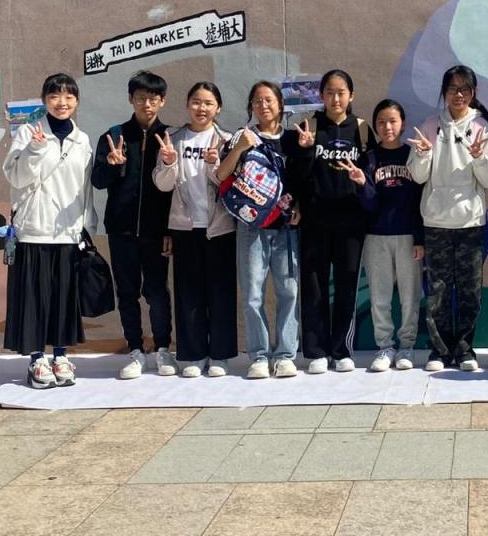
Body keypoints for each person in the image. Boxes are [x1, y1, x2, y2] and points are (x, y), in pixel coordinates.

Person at [3, 73, 94, 388]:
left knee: (63, 299)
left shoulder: (82, 140)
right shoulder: (28, 132)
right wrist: (34, 150)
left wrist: (86, 225)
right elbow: (16, 177)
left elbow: (84, 187)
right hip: (34, 230)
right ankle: (36, 359)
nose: (62, 102)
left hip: (67, 231)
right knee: (35, 299)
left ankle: (61, 356)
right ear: (44, 100)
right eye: (55, 96)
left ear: (77, 101)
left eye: (68, 96)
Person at [406, 65, 488, 372]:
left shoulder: (481, 126)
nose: (458, 95)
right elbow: (418, 176)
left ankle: (465, 349)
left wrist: (479, 156)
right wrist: (423, 154)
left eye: (464, 89)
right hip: (436, 221)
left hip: (470, 222)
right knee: (438, 290)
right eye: (452, 89)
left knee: (470, 289)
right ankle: (440, 351)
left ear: (473, 93)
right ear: (444, 92)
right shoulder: (431, 125)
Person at [91, 70, 175, 380]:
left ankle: (163, 348)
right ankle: (136, 350)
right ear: (130, 99)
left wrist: (170, 230)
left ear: (162, 101)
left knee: (157, 291)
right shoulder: (114, 136)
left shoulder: (171, 137)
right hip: (121, 230)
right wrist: (113, 166)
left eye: (153, 99)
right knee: (126, 292)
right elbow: (97, 181)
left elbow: (178, 189)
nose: (146, 104)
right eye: (140, 98)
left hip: (156, 232)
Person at [216, 81, 303, 379]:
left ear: (280, 104)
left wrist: (300, 208)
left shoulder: (292, 139)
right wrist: (241, 146)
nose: (263, 106)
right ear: (250, 106)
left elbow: (302, 179)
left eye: (268, 100)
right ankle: (259, 356)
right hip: (251, 226)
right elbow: (221, 174)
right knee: (253, 294)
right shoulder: (242, 136)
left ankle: (286, 355)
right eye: (256, 101)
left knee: (288, 291)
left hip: (286, 227)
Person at [152, 82, 236, 378]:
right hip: (184, 226)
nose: (202, 108)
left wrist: (216, 165)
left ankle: (220, 356)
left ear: (218, 108)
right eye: (196, 102)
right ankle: (193, 354)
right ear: (187, 105)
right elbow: (162, 185)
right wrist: (168, 163)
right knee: (188, 294)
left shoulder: (227, 140)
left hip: (220, 227)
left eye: (209, 103)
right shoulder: (173, 139)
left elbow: (230, 184)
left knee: (221, 294)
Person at [290, 70, 370, 375]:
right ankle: (317, 351)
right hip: (315, 220)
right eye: (329, 93)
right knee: (314, 286)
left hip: (351, 222)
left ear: (351, 96)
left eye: (341, 92)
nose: (335, 99)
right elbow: (296, 178)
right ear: (321, 96)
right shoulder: (310, 127)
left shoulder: (361, 129)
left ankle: (341, 350)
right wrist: (305, 150)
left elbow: (370, 175)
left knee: (347, 285)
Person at [356, 99, 424, 372]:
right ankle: (385, 347)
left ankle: (407, 346)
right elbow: (369, 204)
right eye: (381, 122)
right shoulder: (369, 158)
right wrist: (362, 184)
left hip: (407, 236)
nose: (387, 127)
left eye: (393, 121)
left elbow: (420, 201)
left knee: (410, 296)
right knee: (380, 296)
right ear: (375, 125)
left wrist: (420, 238)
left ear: (403, 123)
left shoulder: (412, 155)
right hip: (376, 236)